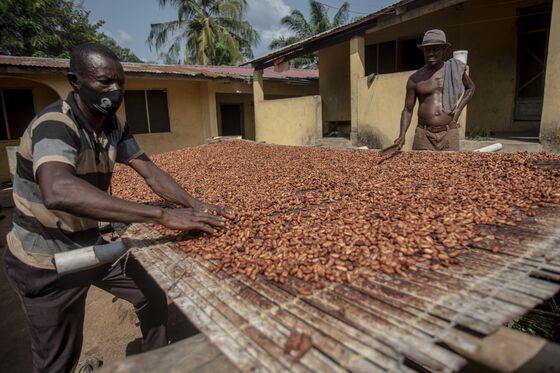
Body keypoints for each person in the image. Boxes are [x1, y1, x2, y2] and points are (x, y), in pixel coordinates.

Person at [3, 42, 234, 373]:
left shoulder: (114, 125)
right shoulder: (55, 125)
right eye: (104, 82)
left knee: (150, 295)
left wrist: (196, 205)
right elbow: (57, 189)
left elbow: (149, 170)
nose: (115, 91)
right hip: (44, 262)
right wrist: (163, 214)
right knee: (56, 360)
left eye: (120, 83)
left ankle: (156, 361)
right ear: (75, 81)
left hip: (88, 246)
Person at [392, 29, 475, 151]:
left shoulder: (454, 70)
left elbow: (470, 88)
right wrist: (402, 134)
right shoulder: (415, 79)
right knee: (420, 169)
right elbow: (408, 110)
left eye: (435, 49)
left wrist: (457, 112)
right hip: (423, 135)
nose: (431, 53)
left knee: (450, 169)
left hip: (449, 132)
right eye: (427, 50)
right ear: (423, 51)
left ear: (443, 49)